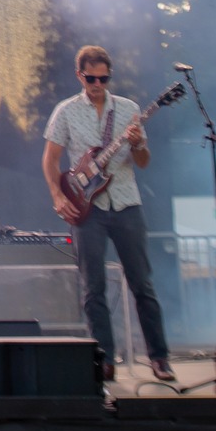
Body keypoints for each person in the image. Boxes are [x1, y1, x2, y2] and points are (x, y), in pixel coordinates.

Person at [42, 44, 174, 382]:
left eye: (103, 78)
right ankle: (104, 359)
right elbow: (51, 159)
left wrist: (138, 143)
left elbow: (143, 163)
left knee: (142, 284)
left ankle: (159, 358)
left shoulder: (129, 109)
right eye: (91, 78)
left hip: (127, 203)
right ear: (79, 76)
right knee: (93, 287)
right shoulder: (66, 111)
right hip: (89, 209)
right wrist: (58, 195)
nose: (98, 84)